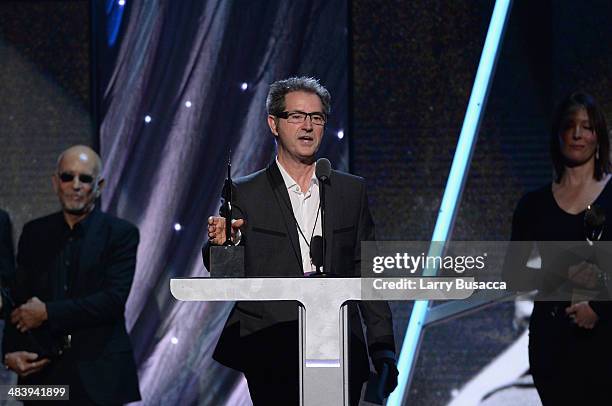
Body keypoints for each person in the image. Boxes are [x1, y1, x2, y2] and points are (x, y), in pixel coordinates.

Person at [204, 77, 397, 405]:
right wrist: (226, 244)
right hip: (272, 343)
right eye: (296, 116)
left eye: (317, 117)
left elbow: (368, 273)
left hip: (338, 343)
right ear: (274, 124)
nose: (307, 126)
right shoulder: (245, 192)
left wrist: (383, 346)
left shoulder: (350, 192)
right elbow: (223, 274)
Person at [2, 145, 141, 405]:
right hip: (40, 375)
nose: (75, 185)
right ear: (56, 183)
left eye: (85, 178)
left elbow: (112, 301)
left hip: (100, 378)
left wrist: (48, 312)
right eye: (67, 177)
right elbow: (19, 299)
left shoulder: (121, 234)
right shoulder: (34, 232)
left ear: (98, 185)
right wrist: (8, 353)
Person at [505, 91, 612, 405]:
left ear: (598, 136)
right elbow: (514, 274)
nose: (578, 134)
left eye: (587, 126)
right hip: (553, 344)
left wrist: (600, 308)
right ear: (557, 134)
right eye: (570, 126)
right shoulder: (533, 205)